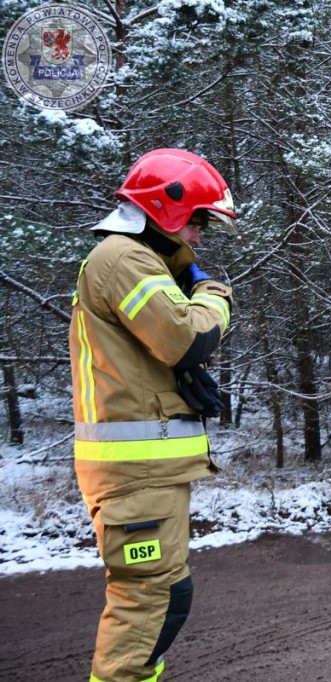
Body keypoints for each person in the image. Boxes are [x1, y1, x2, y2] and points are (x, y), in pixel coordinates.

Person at [70, 149, 237, 682]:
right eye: (196, 223)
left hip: (145, 475)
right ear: (166, 212)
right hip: (135, 476)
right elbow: (188, 336)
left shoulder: (131, 261)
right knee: (149, 604)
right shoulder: (123, 259)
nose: (199, 237)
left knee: (161, 599)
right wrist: (212, 293)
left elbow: (152, 356)